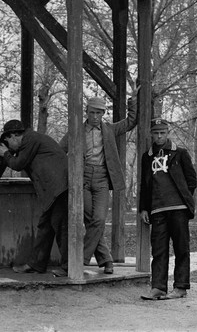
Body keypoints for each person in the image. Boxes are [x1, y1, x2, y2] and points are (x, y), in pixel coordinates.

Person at [59, 83, 140, 274]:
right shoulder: (76, 130)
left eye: (99, 113)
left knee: (99, 219)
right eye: (92, 112)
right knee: (92, 221)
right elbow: (59, 150)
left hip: (103, 179)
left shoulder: (109, 129)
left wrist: (133, 101)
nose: (95, 117)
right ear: (86, 111)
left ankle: (79, 260)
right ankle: (106, 261)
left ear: (103, 114)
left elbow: (130, 122)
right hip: (83, 180)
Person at [0, 119, 69, 277]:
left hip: (59, 189)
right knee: (45, 227)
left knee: (61, 228)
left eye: (8, 143)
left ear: (14, 136)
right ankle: (36, 264)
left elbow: (18, 164)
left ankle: (69, 267)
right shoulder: (31, 140)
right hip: (54, 190)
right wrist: (8, 153)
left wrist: (4, 153)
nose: (10, 148)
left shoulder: (30, 139)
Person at [138, 118, 197, 300]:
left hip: (178, 208)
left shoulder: (179, 153)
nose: (159, 136)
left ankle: (180, 287)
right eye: (156, 133)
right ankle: (158, 287)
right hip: (157, 210)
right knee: (158, 250)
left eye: (162, 133)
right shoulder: (147, 157)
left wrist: (183, 198)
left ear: (168, 133)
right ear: (151, 134)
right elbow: (144, 185)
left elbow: (191, 180)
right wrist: (144, 208)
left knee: (181, 248)